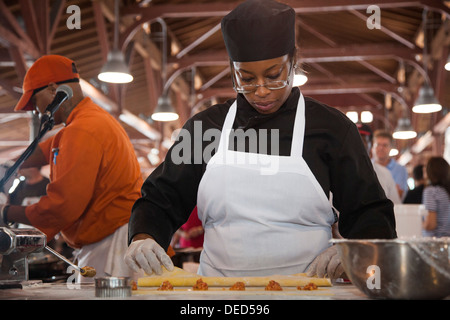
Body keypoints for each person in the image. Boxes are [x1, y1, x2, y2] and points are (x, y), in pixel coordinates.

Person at [125, 0, 396, 279]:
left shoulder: (332, 129)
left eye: (273, 75)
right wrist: (143, 237)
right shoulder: (205, 129)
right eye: (246, 78)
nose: (261, 91)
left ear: (292, 62)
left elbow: (371, 213)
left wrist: (354, 248)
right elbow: (159, 199)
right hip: (219, 293)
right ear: (233, 70)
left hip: (309, 292)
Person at [0, 55, 144, 282]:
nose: (37, 112)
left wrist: (6, 212)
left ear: (52, 90)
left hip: (110, 247)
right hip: (113, 239)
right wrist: (10, 165)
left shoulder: (83, 130)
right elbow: (47, 150)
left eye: (35, 102)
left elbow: (62, 207)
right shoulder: (89, 121)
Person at [357, 123, 401, 204]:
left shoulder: (385, 174)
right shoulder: (339, 172)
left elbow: (395, 205)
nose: (359, 144)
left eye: (364, 140)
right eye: (355, 140)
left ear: (371, 144)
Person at [372, 129, 408, 200]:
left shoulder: (400, 170)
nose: (381, 148)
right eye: (378, 144)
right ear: (372, 146)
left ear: (391, 148)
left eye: (385, 145)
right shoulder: (365, 166)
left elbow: (398, 195)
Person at [422, 157, 450, 237]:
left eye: (426, 166)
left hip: (435, 243)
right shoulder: (446, 191)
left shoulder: (431, 191)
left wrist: (420, 224)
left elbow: (431, 224)